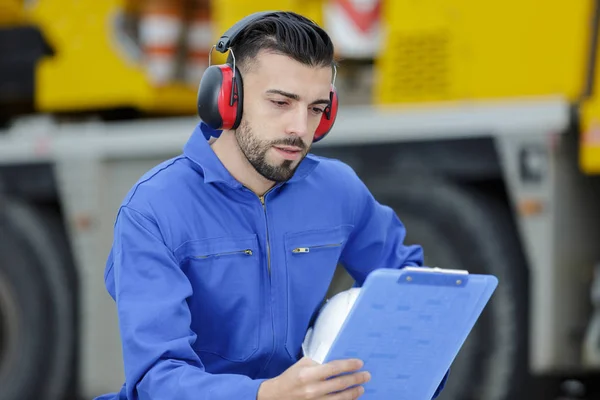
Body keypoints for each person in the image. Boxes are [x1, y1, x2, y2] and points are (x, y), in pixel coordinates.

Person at [96, 10, 449, 400]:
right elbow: (156, 380)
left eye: (316, 109)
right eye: (281, 102)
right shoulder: (154, 210)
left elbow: (411, 291)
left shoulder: (338, 190)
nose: (301, 128)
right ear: (228, 99)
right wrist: (266, 395)